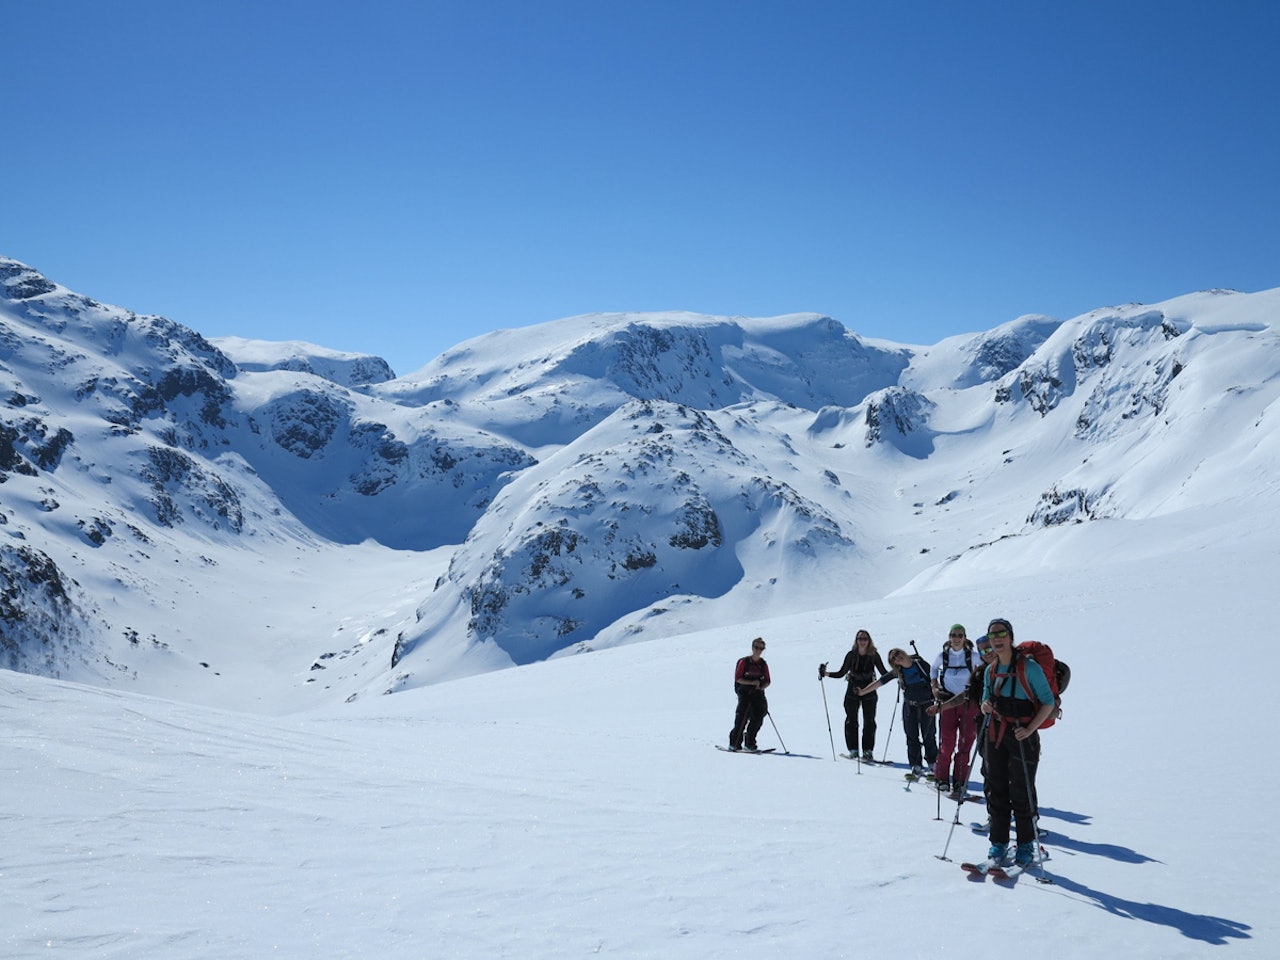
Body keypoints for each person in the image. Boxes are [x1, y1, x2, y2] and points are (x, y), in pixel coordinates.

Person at [980, 618, 1055, 869]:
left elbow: (1048, 703)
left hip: (1023, 736)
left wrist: (1030, 729)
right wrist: (986, 705)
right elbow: (984, 701)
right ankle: (998, 842)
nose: (997, 639)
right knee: (997, 789)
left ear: (1010, 637)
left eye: (1001, 634)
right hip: (996, 734)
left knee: (1021, 791)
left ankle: (1025, 845)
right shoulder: (991, 671)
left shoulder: (1029, 667)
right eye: (992, 636)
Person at [929, 635, 996, 800]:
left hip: (981, 714)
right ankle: (942, 778)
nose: (988, 653)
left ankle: (959, 781)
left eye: (991, 649)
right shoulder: (980, 672)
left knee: (966, 745)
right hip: (965, 708)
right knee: (948, 742)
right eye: (984, 651)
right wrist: (936, 691)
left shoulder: (989, 666)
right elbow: (967, 693)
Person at [856, 646, 938, 776]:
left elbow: (934, 680)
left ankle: (933, 764)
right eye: (893, 658)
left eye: (897, 654)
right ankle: (916, 765)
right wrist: (863, 692)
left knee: (929, 735)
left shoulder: (921, 664)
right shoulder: (898, 671)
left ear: (903, 652)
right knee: (912, 736)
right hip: (909, 707)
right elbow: (880, 682)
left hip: (927, 705)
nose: (897, 658)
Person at [819, 629, 890, 761]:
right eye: (860, 639)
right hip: (853, 689)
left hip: (869, 689)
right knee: (852, 720)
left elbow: (883, 672)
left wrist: (899, 673)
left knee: (869, 721)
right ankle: (854, 750)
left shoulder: (874, 655)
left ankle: (867, 750)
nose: (862, 641)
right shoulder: (851, 655)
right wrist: (826, 674)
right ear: (856, 641)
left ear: (869, 641)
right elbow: (841, 673)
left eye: (865, 639)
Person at [729, 637, 771, 751]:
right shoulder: (744, 662)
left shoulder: (763, 664)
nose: (759, 650)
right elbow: (738, 678)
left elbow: (768, 680)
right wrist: (752, 682)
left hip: (757, 693)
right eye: (757, 647)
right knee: (742, 716)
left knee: (759, 715)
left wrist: (761, 687)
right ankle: (734, 743)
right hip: (744, 692)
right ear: (752, 648)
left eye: (761, 648)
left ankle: (750, 743)